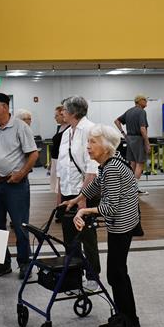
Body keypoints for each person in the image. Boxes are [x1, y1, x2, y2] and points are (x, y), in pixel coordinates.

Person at [63, 124, 140, 327]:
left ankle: (127, 320)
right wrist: (78, 198)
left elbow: (109, 207)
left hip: (122, 226)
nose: (88, 146)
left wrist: (83, 211)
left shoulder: (113, 168)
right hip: (123, 224)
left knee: (116, 274)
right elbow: (96, 184)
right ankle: (130, 318)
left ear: (106, 146)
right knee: (118, 272)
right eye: (88, 142)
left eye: (93, 142)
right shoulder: (108, 164)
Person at [0, 93, 39, 279]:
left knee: (21, 225)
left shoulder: (20, 127)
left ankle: (24, 263)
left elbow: (33, 155)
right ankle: (2, 263)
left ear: (4, 107)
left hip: (15, 185)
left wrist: (21, 173)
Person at [56, 96, 100, 288]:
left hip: (85, 193)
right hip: (68, 191)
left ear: (73, 112)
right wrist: (59, 195)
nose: (61, 113)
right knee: (70, 237)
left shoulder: (90, 129)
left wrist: (83, 197)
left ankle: (92, 276)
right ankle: (74, 274)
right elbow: (62, 166)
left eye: (64, 110)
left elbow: (92, 166)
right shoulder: (67, 132)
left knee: (87, 236)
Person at [114, 95, 151, 195]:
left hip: (129, 139)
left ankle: (130, 188)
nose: (146, 101)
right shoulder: (141, 112)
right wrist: (147, 143)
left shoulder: (129, 111)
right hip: (138, 139)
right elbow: (143, 129)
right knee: (140, 163)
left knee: (133, 164)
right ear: (139, 101)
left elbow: (116, 121)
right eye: (144, 100)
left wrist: (123, 133)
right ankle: (133, 190)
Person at [50, 105, 69, 221]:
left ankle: (60, 210)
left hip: (62, 161)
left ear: (63, 115)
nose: (55, 118)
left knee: (61, 187)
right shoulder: (60, 127)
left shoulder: (69, 128)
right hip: (55, 160)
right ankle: (59, 208)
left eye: (57, 115)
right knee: (58, 188)